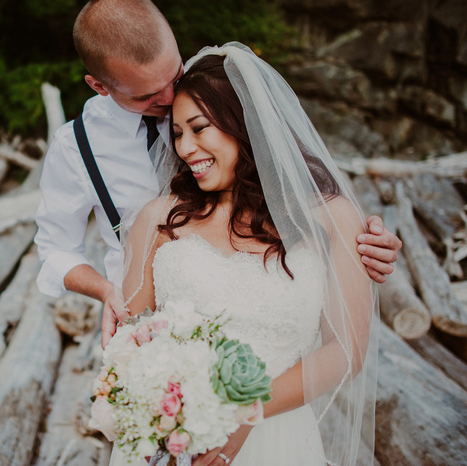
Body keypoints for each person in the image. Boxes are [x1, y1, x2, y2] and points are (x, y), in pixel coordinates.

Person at [34, 0, 399, 349]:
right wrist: (105, 290)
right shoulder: (75, 148)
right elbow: (54, 249)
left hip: (265, 317)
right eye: (147, 94)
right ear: (100, 86)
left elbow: (284, 177)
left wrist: (362, 241)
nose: (169, 96)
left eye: (174, 74)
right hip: (148, 337)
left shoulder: (215, 86)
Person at [115, 43, 377, 466]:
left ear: (245, 124)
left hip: (280, 439)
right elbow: (130, 341)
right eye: (178, 133)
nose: (184, 148)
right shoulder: (157, 219)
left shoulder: (330, 218)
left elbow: (347, 351)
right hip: (175, 442)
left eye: (199, 128)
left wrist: (246, 413)